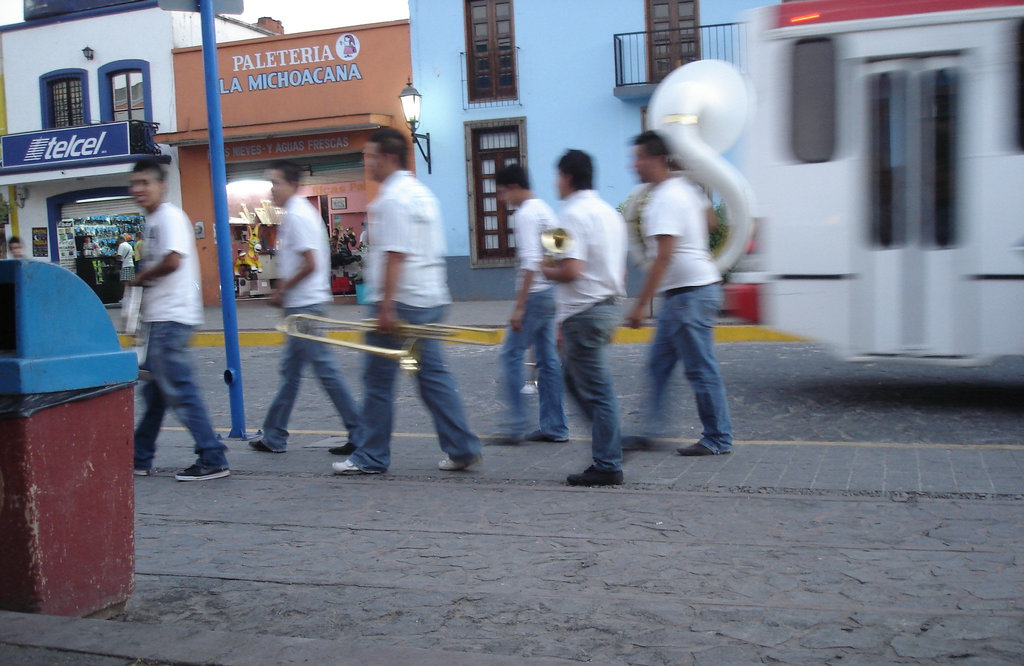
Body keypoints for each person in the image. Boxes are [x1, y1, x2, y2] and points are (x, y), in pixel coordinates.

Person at [332, 127, 481, 475]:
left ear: (389, 158)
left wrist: (386, 306)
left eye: (370, 157)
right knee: (430, 376)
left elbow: (395, 255)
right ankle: (461, 447)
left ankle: (371, 455)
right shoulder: (421, 194)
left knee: (379, 380)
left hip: (401, 306)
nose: (367, 163)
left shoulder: (392, 198)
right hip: (428, 299)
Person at [624, 130, 733, 456]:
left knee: (701, 369)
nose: (634, 164)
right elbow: (712, 223)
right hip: (686, 294)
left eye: (639, 157)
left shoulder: (665, 198)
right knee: (659, 364)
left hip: (691, 295)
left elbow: (663, 256)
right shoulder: (685, 189)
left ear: (657, 159)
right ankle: (650, 432)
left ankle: (717, 438)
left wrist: (640, 305)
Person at [247, 160, 363, 456]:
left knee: (323, 371)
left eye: (276, 183)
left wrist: (284, 288)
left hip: (305, 307)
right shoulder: (297, 215)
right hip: (303, 305)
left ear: (292, 185)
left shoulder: (298, 216)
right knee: (292, 371)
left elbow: (311, 262)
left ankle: (360, 431)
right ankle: (274, 434)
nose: (272, 190)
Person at [129, 157, 230, 482]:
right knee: (156, 393)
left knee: (179, 390)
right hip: (162, 317)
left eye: (145, 182)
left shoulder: (168, 217)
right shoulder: (154, 221)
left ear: (162, 185)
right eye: (135, 183)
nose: (139, 189)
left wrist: (141, 277)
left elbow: (172, 262)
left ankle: (212, 456)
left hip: (172, 317)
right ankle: (139, 455)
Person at [540, 150, 627, 486]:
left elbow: (570, 269)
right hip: (606, 306)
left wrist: (545, 269)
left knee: (597, 390)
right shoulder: (609, 213)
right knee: (575, 381)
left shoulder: (572, 215)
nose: (555, 183)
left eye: (557, 176)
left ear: (568, 177)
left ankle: (608, 461)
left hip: (585, 311)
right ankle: (609, 440)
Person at [492, 164, 569, 445]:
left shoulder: (524, 215)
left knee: (511, 354)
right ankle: (555, 426)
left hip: (535, 294)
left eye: (502, 193)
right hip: (550, 293)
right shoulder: (546, 211)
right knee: (548, 361)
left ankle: (515, 424)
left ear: (513, 187)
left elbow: (530, 263)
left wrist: (520, 305)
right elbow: (560, 251)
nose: (502, 200)